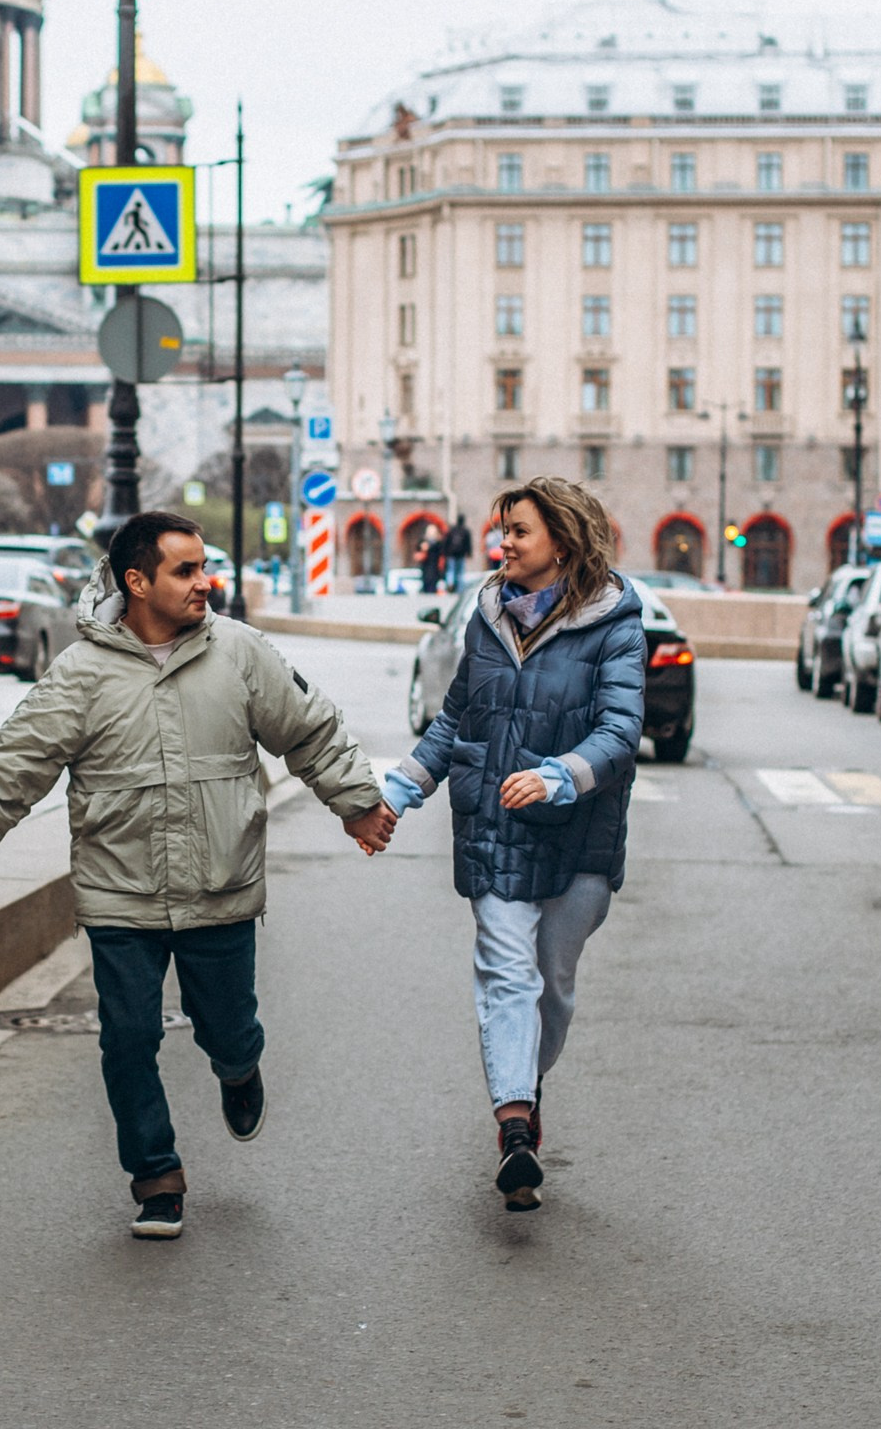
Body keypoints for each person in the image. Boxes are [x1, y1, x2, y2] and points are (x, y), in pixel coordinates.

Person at [0, 511, 395, 1240]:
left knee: (229, 1030)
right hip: (120, 893)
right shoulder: (81, 673)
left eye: (205, 567)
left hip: (221, 885)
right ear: (137, 582)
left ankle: (239, 1068)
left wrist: (357, 805)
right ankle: (156, 1177)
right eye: (185, 570)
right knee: (127, 1037)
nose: (205, 582)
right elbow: (12, 764)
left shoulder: (239, 654)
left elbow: (309, 730)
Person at [378, 476, 644, 1213]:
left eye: (518, 532)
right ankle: (516, 1128)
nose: (503, 545)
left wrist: (560, 776)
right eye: (501, 531)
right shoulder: (486, 615)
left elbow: (621, 733)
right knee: (506, 975)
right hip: (495, 826)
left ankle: (525, 1086)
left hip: (579, 834)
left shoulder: (615, 623)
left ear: (561, 540)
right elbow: (455, 719)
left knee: (550, 987)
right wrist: (398, 792)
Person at [443, 514, 473, 593]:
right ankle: (459, 589)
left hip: (451, 554)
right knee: (460, 572)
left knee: (451, 571)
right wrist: (469, 553)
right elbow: (468, 544)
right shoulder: (466, 531)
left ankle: (450, 585)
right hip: (461, 554)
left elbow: (446, 541)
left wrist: (445, 553)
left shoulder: (452, 530)